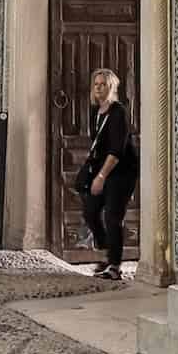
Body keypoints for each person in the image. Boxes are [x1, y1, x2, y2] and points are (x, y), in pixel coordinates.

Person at [76, 67, 137, 279]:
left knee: (113, 217)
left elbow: (117, 150)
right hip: (101, 167)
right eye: (96, 84)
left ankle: (114, 266)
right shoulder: (96, 111)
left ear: (111, 87)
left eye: (103, 84)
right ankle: (105, 251)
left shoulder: (118, 112)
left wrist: (101, 176)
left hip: (121, 171)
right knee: (90, 211)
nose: (99, 88)